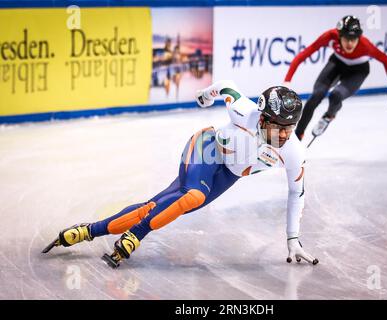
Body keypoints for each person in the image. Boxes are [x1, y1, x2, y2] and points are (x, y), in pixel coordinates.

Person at [42, 80, 319, 268]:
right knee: (193, 196)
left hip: (227, 176)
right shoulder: (243, 110)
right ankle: (135, 235)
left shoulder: (293, 151)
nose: (284, 134)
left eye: (290, 127)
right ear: (261, 117)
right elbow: (227, 87)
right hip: (206, 148)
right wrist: (204, 96)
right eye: (279, 126)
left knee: (161, 205)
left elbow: (297, 193)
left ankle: (87, 231)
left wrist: (292, 239)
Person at [284, 15, 387, 141]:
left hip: (358, 71)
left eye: (354, 39)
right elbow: (304, 54)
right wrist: (287, 81)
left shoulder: (365, 45)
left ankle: (329, 116)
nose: (350, 43)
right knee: (315, 96)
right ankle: (297, 137)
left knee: (336, 95)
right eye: (347, 38)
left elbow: (386, 60)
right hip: (337, 63)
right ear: (339, 36)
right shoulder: (330, 36)